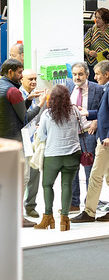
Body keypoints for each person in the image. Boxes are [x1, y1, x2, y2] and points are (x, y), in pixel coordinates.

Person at [71, 61, 109, 223]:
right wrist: (88, 113)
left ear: (106, 74)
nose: (95, 77)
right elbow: (106, 112)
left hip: (108, 140)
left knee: (96, 176)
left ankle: (89, 212)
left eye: (97, 74)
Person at [34, 85, 88, 231]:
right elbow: (81, 128)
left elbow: (41, 135)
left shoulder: (47, 114)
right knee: (67, 185)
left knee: (47, 185)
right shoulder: (75, 111)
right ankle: (65, 220)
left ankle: (48, 217)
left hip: (53, 155)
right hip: (73, 154)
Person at [0, 58, 45, 227]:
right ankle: (17, 217)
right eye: (20, 73)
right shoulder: (13, 91)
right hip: (14, 141)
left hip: (3, 140)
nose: (21, 76)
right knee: (22, 178)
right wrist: (40, 104)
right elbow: (25, 119)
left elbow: (12, 111)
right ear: (10, 72)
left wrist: (27, 100)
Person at [66, 62, 102, 213]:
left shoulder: (97, 88)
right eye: (75, 74)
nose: (77, 77)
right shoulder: (68, 87)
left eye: (80, 74)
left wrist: (96, 121)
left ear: (87, 74)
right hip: (72, 135)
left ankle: (91, 203)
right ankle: (74, 203)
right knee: (72, 170)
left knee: (89, 169)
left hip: (89, 133)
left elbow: (103, 108)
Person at [21, 69, 44, 218]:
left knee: (34, 173)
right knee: (23, 176)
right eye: (30, 79)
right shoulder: (18, 95)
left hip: (34, 139)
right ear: (22, 80)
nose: (34, 82)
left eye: (35, 79)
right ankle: (16, 209)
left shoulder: (37, 95)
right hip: (22, 140)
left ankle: (30, 206)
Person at [83, 7, 109, 81]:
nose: (96, 20)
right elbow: (84, 47)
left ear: (105, 19)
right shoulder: (91, 31)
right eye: (96, 17)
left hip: (108, 65)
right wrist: (89, 52)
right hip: (93, 65)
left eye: (99, 18)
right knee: (94, 86)